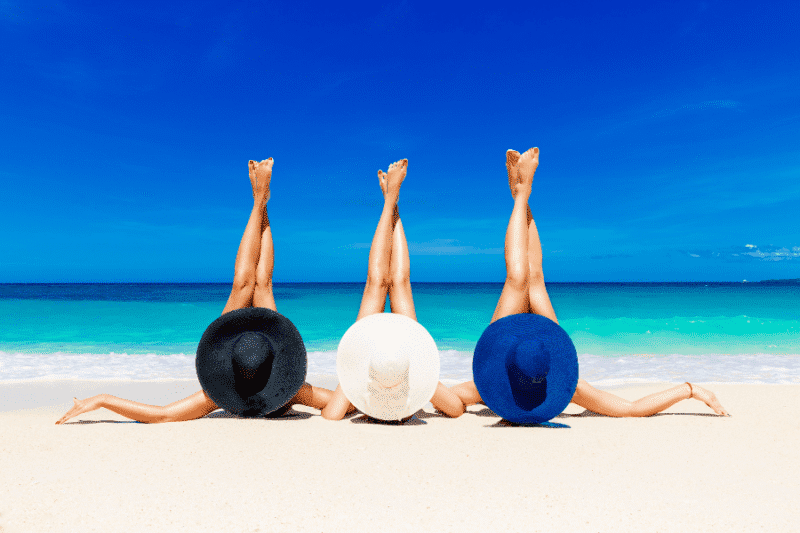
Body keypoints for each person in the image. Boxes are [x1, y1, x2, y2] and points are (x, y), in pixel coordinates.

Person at [446, 147, 730, 418]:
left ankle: (520, 194)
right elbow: (630, 409)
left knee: (521, 279)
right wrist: (689, 390)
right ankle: (521, 194)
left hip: (506, 345)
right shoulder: (564, 386)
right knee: (533, 278)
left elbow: (445, 397)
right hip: (541, 343)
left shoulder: (489, 383)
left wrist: (411, 376)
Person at [56, 158, 335, 424]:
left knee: (243, 283)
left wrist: (104, 399)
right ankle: (261, 199)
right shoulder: (294, 391)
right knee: (261, 283)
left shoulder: (222, 396)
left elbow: (163, 415)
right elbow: (343, 400)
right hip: (262, 341)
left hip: (236, 343)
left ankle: (259, 199)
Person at [321, 159, 466, 420]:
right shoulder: (417, 382)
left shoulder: (364, 384)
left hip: (375, 356)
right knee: (398, 283)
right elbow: (455, 408)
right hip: (401, 355)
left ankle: (390, 202)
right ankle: (393, 202)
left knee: (376, 283)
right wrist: (421, 377)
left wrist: (356, 372)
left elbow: (332, 415)